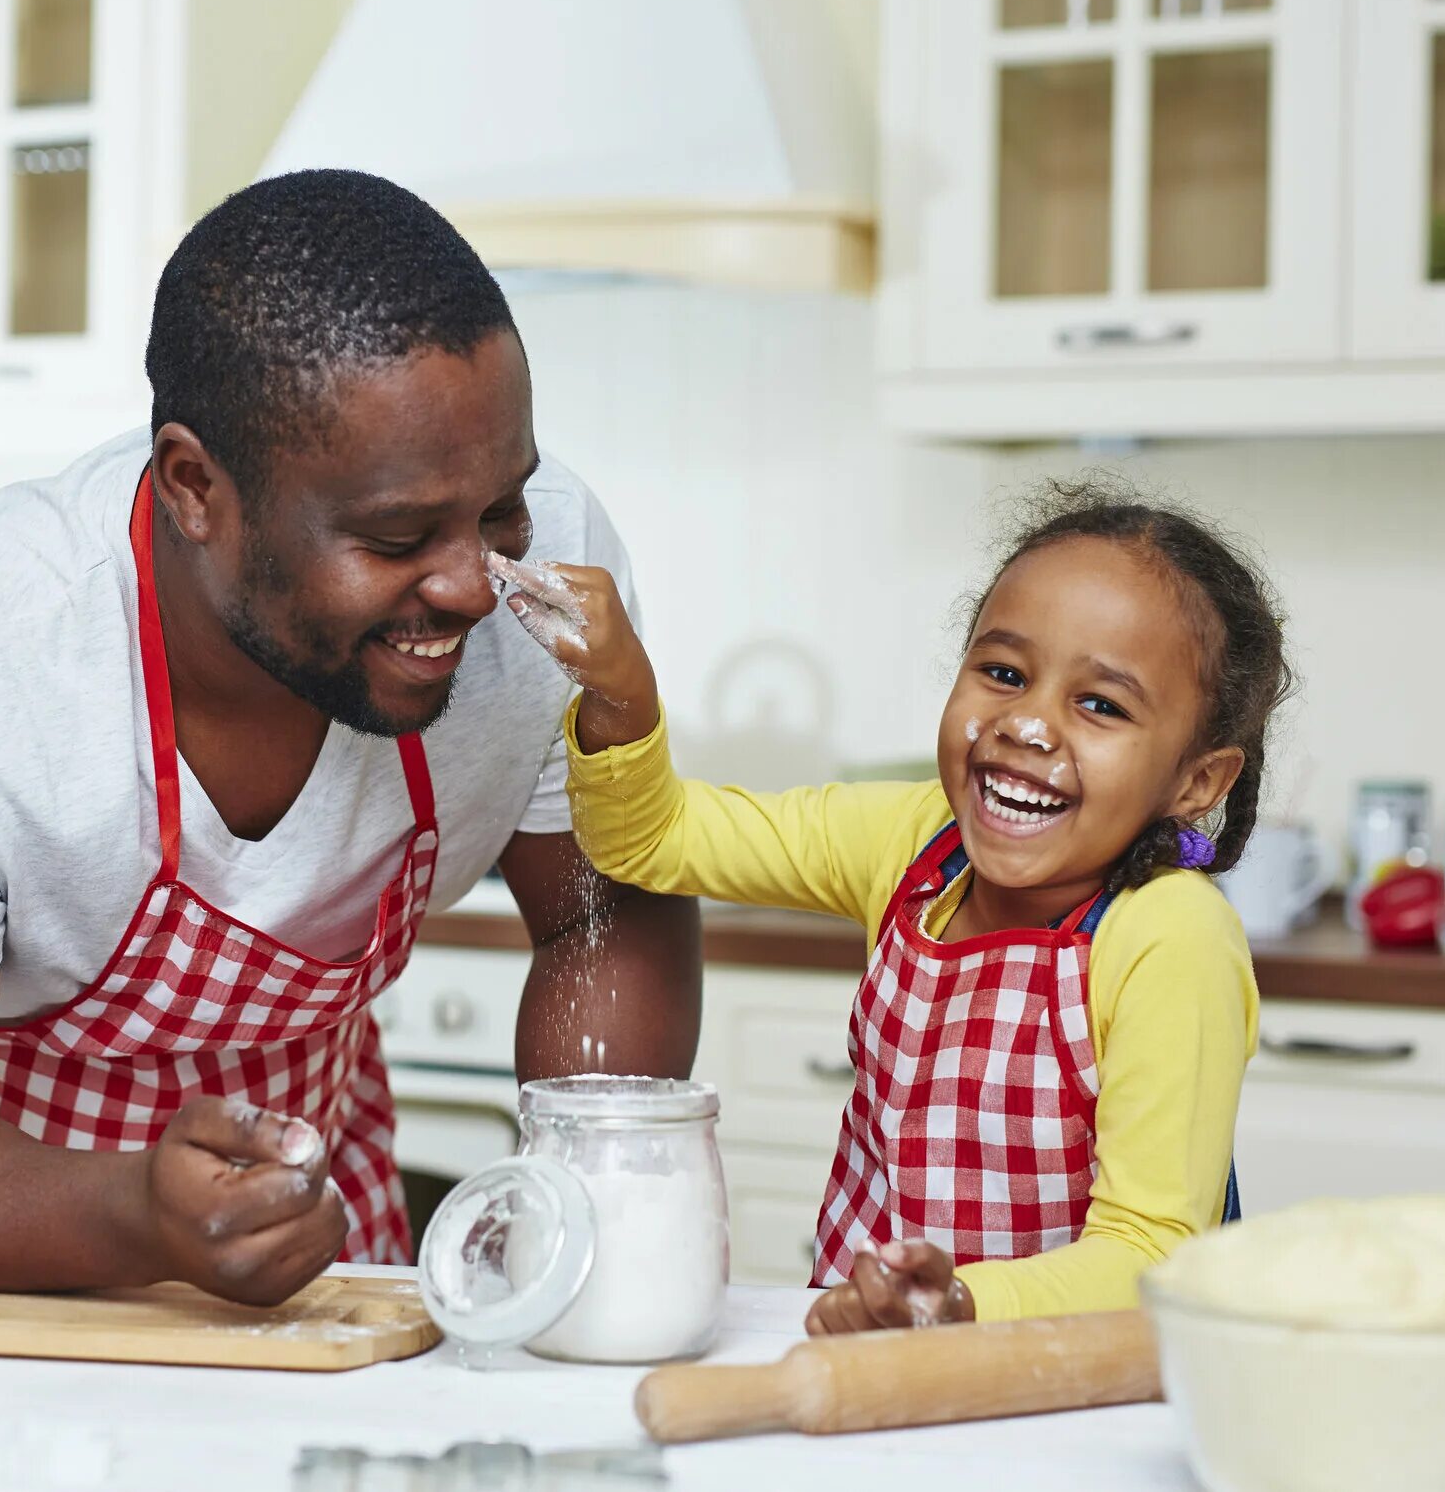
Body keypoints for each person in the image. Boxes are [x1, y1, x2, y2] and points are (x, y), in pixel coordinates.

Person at [0, 170, 700, 1305]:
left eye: (500, 510)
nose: (473, 585)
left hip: (326, 1256)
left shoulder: (541, 590)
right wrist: (133, 1213)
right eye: (396, 535)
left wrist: (572, 1222)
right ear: (195, 486)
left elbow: (607, 912)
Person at [492, 483, 1289, 1331]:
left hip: (1059, 1394)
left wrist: (953, 1305)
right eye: (1005, 673)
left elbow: (1148, 1252)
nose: (1027, 723)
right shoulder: (910, 840)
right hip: (869, 1358)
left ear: (1197, 781)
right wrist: (623, 691)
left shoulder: (1172, 935)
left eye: (1101, 705)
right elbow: (654, 840)